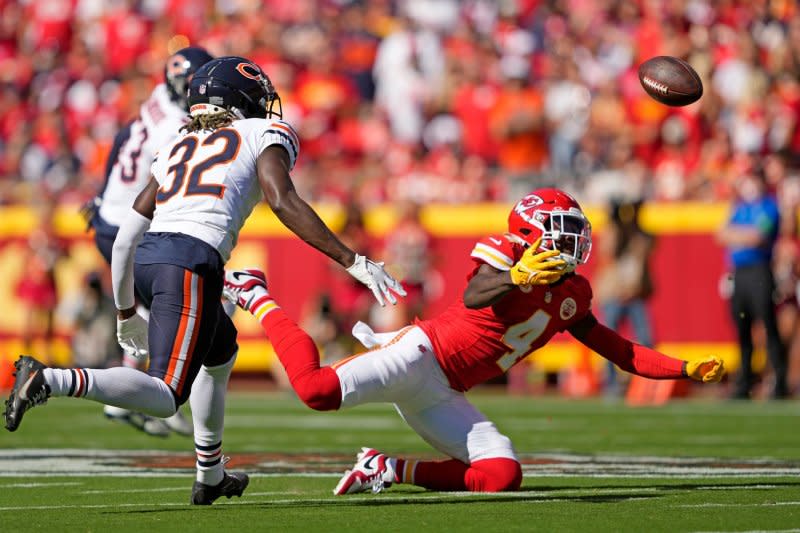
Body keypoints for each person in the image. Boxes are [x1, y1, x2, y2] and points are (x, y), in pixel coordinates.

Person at [4, 56, 405, 505]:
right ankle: (49, 380)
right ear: (239, 98)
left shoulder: (176, 143)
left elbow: (124, 242)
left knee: (221, 349)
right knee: (165, 395)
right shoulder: (260, 133)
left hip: (150, 258)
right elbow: (283, 200)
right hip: (191, 259)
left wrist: (124, 312)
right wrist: (353, 261)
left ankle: (210, 473)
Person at [222, 188, 724, 495]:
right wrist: (520, 276)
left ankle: (387, 468)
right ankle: (258, 296)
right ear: (529, 232)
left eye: (575, 232)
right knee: (315, 391)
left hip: (444, 393)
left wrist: (684, 369)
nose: (573, 243)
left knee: (502, 474)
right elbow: (476, 292)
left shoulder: (574, 292)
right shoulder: (506, 254)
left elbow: (620, 349)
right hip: (418, 356)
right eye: (561, 231)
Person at [81, 46, 214, 438]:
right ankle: (157, 397)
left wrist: (103, 193)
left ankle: (135, 398)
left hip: (112, 216)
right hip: (128, 223)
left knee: (151, 306)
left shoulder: (157, 101)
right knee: (171, 302)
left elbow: (124, 136)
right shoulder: (174, 127)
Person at [717, 166, 789, 399]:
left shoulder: (769, 206)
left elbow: (759, 236)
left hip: (760, 271)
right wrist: (742, 235)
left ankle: (779, 381)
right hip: (739, 272)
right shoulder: (741, 207)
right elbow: (721, 234)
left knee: (768, 325)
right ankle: (744, 382)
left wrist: (738, 235)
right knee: (742, 327)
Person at [593, 199, 656, 396]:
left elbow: (649, 243)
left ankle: (645, 384)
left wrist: (635, 221)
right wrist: (615, 221)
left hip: (634, 294)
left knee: (645, 338)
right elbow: (609, 251)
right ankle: (611, 385)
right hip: (613, 293)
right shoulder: (613, 233)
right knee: (609, 343)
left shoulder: (640, 236)